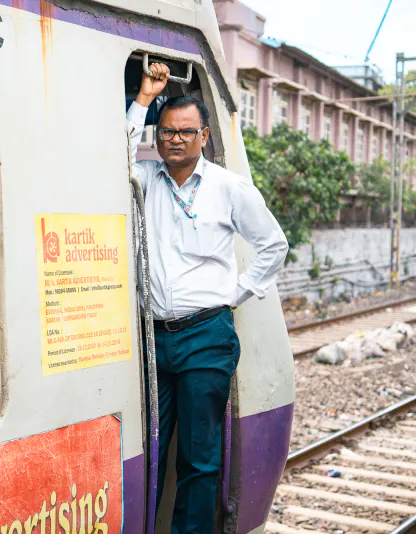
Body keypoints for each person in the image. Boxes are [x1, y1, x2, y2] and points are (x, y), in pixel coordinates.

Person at [128, 63, 288, 532]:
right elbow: (110, 151)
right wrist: (143, 98)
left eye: (185, 132)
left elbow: (273, 245)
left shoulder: (228, 187)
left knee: (199, 458)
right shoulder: (143, 179)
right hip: (154, 338)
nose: (174, 140)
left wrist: (234, 294)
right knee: (147, 449)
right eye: (165, 132)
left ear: (202, 137)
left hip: (206, 337)